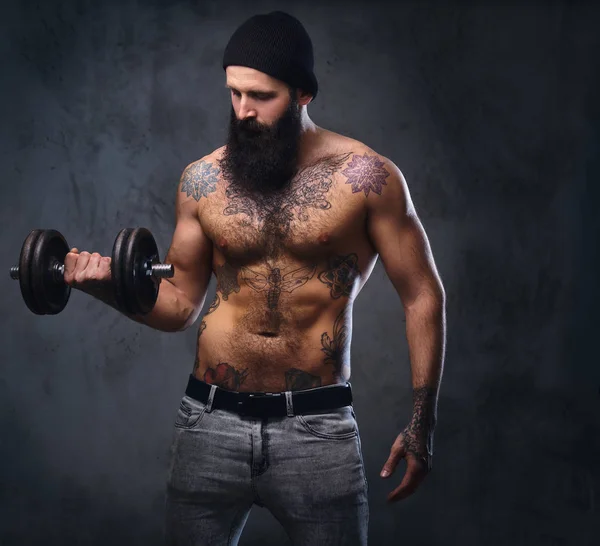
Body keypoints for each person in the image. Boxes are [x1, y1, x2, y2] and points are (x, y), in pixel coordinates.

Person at [63, 10, 446, 546]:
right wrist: (103, 284)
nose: (243, 111)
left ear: (303, 94)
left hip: (316, 432)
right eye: (235, 94)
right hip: (208, 423)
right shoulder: (203, 181)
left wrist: (422, 421)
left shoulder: (368, 178)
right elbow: (178, 306)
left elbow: (423, 294)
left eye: (261, 96)